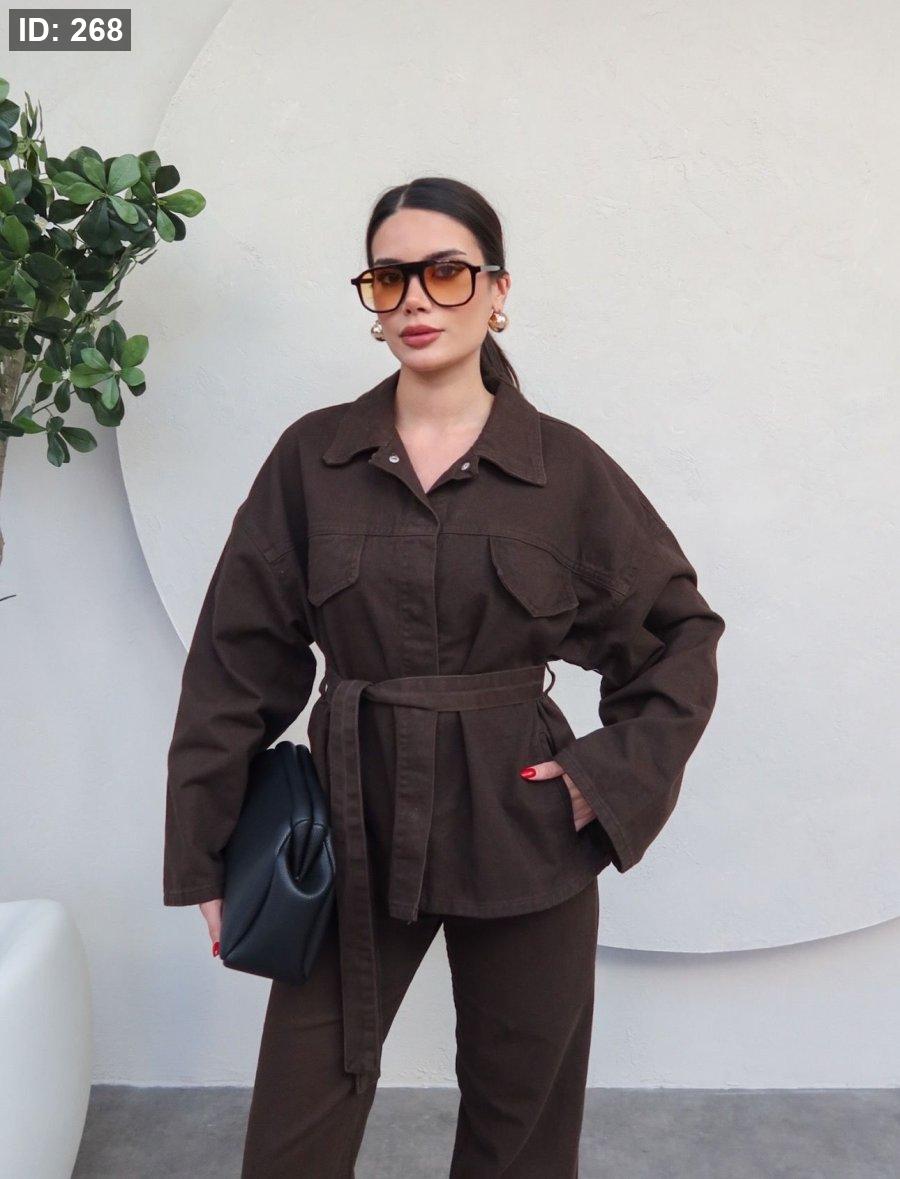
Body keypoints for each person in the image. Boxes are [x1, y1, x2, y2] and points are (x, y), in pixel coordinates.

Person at [162, 176, 726, 1177]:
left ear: (498, 292)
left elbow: (677, 634)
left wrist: (603, 780)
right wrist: (206, 852)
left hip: (524, 824)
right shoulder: (313, 460)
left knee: (520, 1134)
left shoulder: (565, 472)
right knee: (294, 1131)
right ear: (372, 302)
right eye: (390, 278)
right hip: (350, 823)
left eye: (447, 272)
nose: (416, 298)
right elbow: (233, 663)